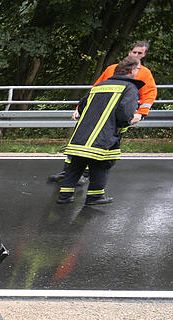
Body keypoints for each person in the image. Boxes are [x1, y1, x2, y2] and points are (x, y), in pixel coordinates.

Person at [49, 41, 157, 182]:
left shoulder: (144, 73)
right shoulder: (111, 69)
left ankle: (85, 175)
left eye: (139, 53)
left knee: (100, 147)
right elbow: (95, 89)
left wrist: (141, 113)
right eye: (134, 52)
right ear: (129, 52)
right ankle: (68, 172)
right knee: (79, 143)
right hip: (96, 114)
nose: (136, 55)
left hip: (115, 118)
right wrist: (79, 109)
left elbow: (149, 94)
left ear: (144, 55)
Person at [56, 56, 143, 206]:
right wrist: (127, 123)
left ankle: (64, 196)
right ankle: (94, 197)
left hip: (81, 134)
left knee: (76, 164)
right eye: (138, 69)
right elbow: (124, 113)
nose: (138, 71)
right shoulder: (130, 88)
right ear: (132, 70)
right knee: (101, 164)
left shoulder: (100, 86)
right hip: (104, 135)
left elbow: (82, 106)